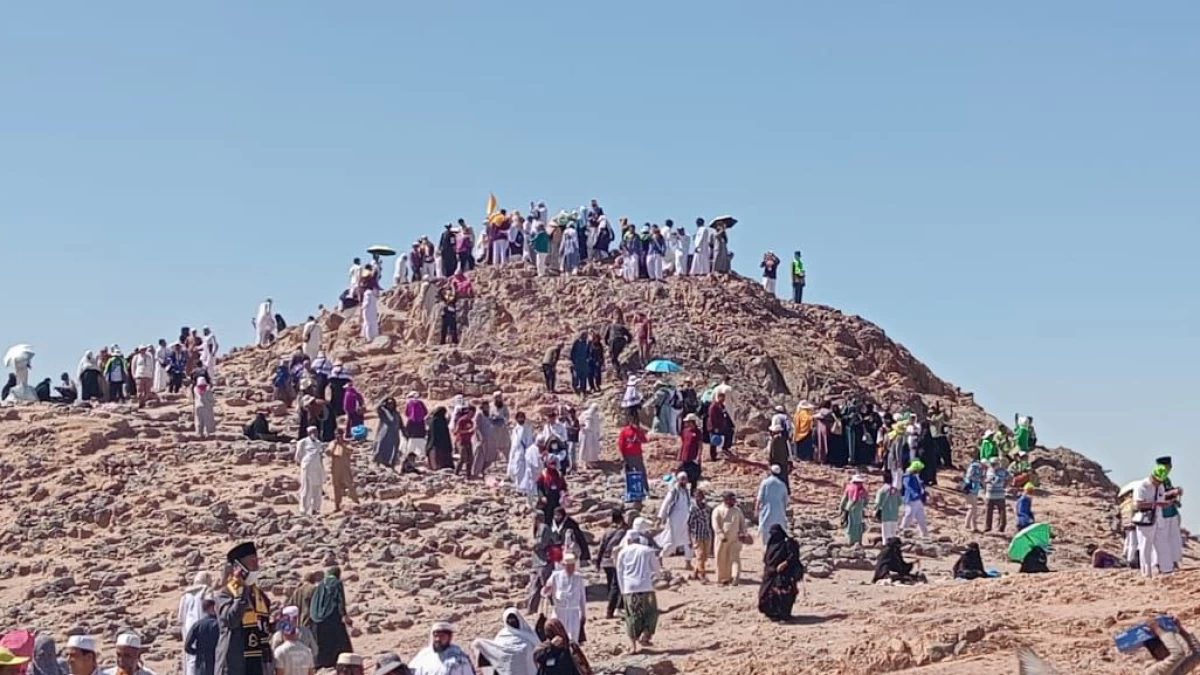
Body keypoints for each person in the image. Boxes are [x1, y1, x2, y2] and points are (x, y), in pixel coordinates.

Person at [215, 542, 273, 675]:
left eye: (256, 561)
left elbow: (261, 627)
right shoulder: (226, 594)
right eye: (252, 562)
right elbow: (231, 620)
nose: (256, 565)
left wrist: (275, 625)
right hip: (236, 663)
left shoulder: (260, 595)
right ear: (238, 567)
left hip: (259, 662)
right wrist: (242, 591)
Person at [615, 530, 661, 653]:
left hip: (630, 588)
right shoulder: (647, 550)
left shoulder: (622, 552)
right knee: (651, 612)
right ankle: (645, 633)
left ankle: (633, 646)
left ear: (628, 540)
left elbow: (619, 572)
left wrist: (622, 589)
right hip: (646, 586)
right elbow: (656, 567)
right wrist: (658, 576)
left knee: (632, 616)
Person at [471, 608, 538, 675]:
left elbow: (537, 648)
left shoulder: (529, 633)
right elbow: (497, 650)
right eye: (509, 619)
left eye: (514, 618)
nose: (512, 621)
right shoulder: (502, 635)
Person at [309, 568, 352, 669]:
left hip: (317, 619)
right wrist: (344, 615)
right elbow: (340, 600)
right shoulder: (336, 583)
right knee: (338, 641)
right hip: (332, 617)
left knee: (322, 643)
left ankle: (322, 663)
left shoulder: (320, 585)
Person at [1134, 464, 1173, 577]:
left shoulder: (1160, 486)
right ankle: (1146, 573)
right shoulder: (1142, 486)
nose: (1158, 483)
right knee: (1145, 547)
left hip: (1158, 519)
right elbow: (1138, 504)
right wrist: (1157, 504)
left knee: (1163, 544)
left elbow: (1162, 497)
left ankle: (1166, 570)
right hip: (1145, 520)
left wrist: (1168, 500)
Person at [758, 525, 803, 621]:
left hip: (784, 574)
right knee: (765, 594)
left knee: (783, 594)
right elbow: (767, 558)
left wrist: (784, 564)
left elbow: (793, 556)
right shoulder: (771, 543)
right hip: (770, 573)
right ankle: (771, 613)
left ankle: (783, 614)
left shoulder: (788, 543)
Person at [542, 554, 587, 644]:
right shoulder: (555, 576)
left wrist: (583, 614)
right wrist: (547, 589)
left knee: (573, 639)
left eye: (572, 566)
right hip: (559, 612)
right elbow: (544, 593)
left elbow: (582, 597)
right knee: (558, 638)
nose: (571, 568)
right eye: (568, 566)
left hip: (573, 613)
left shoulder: (578, 577)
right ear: (564, 566)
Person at [594, 510, 628, 620]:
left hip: (605, 560)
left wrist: (598, 563)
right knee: (617, 585)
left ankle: (613, 604)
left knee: (611, 584)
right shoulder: (623, 531)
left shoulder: (607, 531)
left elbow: (601, 547)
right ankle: (613, 608)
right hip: (615, 560)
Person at [654, 472, 694, 564]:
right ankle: (660, 557)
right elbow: (665, 503)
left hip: (685, 520)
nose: (684, 481)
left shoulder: (687, 491)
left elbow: (689, 504)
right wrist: (660, 517)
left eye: (685, 478)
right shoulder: (674, 491)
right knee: (672, 542)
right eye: (682, 479)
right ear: (678, 480)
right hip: (675, 520)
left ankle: (688, 562)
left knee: (687, 541)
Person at [179, 572, 214, 675]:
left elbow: (180, 617)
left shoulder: (185, 595)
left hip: (188, 626)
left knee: (190, 658)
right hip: (203, 627)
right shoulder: (206, 591)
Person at [711, 491, 748, 586]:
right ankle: (723, 578)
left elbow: (742, 523)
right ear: (725, 499)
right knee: (722, 558)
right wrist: (720, 535)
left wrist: (743, 533)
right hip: (722, 540)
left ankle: (735, 577)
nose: (733, 501)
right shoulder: (718, 510)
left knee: (735, 558)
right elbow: (715, 524)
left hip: (735, 539)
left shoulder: (737, 511)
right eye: (731, 499)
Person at [407, 623, 474, 675]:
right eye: (435, 636)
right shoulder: (423, 655)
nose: (438, 639)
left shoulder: (459, 658)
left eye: (442, 636)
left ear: (449, 638)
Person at [1156, 456, 1185, 574]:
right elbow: (1157, 495)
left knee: (1174, 538)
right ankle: (1160, 563)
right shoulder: (1156, 479)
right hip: (1162, 514)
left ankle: (1173, 561)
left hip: (1171, 512)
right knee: (1162, 539)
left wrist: (1176, 492)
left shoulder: (1166, 479)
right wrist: (1172, 493)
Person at [294, 427, 326, 516]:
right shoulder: (302, 442)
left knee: (317, 488)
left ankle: (315, 509)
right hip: (307, 468)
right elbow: (298, 456)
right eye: (313, 432)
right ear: (309, 433)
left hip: (317, 468)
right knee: (306, 489)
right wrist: (304, 464)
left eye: (316, 431)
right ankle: (303, 510)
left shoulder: (319, 443)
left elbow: (320, 456)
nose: (315, 433)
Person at [617, 416, 649, 499]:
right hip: (628, 455)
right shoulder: (624, 431)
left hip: (638, 455)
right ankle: (631, 490)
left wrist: (639, 438)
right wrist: (623, 456)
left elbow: (645, 440)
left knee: (641, 472)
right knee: (630, 473)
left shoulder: (638, 431)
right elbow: (621, 444)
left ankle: (645, 490)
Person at [755, 465, 788, 544]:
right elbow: (785, 501)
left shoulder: (765, 482)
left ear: (770, 471)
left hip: (767, 511)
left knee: (766, 531)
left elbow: (759, 497)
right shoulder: (782, 484)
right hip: (779, 513)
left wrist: (756, 509)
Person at [899, 460, 929, 539]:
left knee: (921, 517)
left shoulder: (916, 476)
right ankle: (903, 529)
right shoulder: (907, 476)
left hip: (918, 499)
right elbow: (909, 487)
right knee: (909, 514)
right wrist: (915, 494)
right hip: (911, 499)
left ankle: (924, 534)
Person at [839, 474, 869, 546]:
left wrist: (841, 507)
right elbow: (866, 500)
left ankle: (851, 540)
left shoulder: (849, 487)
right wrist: (863, 506)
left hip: (850, 508)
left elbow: (844, 499)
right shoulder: (863, 490)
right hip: (859, 508)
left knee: (850, 524)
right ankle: (858, 540)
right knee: (858, 524)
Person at [874, 472, 902, 543]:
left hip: (885, 515)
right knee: (893, 535)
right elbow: (900, 502)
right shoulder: (896, 490)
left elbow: (878, 503)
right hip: (894, 515)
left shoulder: (882, 490)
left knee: (885, 536)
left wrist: (875, 511)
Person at [373, 398, 401, 468]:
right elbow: (378, 407)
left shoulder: (396, 413)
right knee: (380, 448)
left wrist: (405, 432)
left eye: (392, 403)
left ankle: (391, 465)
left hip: (394, 434)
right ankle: (377, 464)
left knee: (393, 450)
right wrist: (384, 400)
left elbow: (401, 424)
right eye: (388, 403)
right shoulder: (383, 412)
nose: (390, 405)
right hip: (384, 433)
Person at [984, 459, 1010, 533]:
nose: (993, 465)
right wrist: (987, 482)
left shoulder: (1003, 471)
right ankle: (988, 527)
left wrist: (1005, 485)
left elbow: (1010, 477)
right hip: (989, 494)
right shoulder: (988, 470)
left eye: (994, 463)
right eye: (992, 463)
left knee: (1002, 511)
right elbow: (983, 479)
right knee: (988, 512)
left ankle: (1001, 527)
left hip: (1000, 494)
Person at [961, 458, 985, 532]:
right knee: (973, 509)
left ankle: (967, 524)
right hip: (971, 491)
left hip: (970, 491)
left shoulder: (975, 469)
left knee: (971, 508)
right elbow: (972, 479)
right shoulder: (976, 470)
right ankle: (974, 527)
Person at [578, 404, 601, 469]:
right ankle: (585, 463)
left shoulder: (596, 415)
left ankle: (591, 462)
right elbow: (580, 421)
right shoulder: (585, 414)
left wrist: (597, 432)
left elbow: (597, 425)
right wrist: (582, 426)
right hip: (585, 434)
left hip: (592, 434)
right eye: (594, 408)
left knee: (592, 449)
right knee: (585, 448)